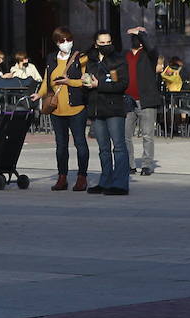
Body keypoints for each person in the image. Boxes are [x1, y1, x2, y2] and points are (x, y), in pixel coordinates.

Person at [36, 26, 91, 192]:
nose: (66, 43)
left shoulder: (80, 58)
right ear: (56, 42)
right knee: (61, 145)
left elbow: (85, 81)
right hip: (56, 109)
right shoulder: (51, 58)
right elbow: (47, 80)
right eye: (62, 41)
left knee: (80, 143)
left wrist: (69, 82)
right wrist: (39, 95)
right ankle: (62, 177)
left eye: (68, 40)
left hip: (76, 108)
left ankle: (82, 177)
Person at [87, 30, 131, 196]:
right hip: (97, 108)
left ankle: (120, 184)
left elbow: (122, 84)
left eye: (108, 42)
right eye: (102, 43)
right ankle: (105, 181)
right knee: (103, 148)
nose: (106, 45)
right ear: (96, 43)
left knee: (119, 146)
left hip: (114, 108)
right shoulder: (90, 60)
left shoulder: (118, 59)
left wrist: (99, 85)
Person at [123, 26, 160, 176]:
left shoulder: (149, 55)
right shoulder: (124, 55)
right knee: (125, 135)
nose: (135, 39)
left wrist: (140, 32)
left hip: (146, 101)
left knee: (147, 135)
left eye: (138, 37)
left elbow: (150, 47)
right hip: (127, 101)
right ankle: (129, 165)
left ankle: (147, 165)